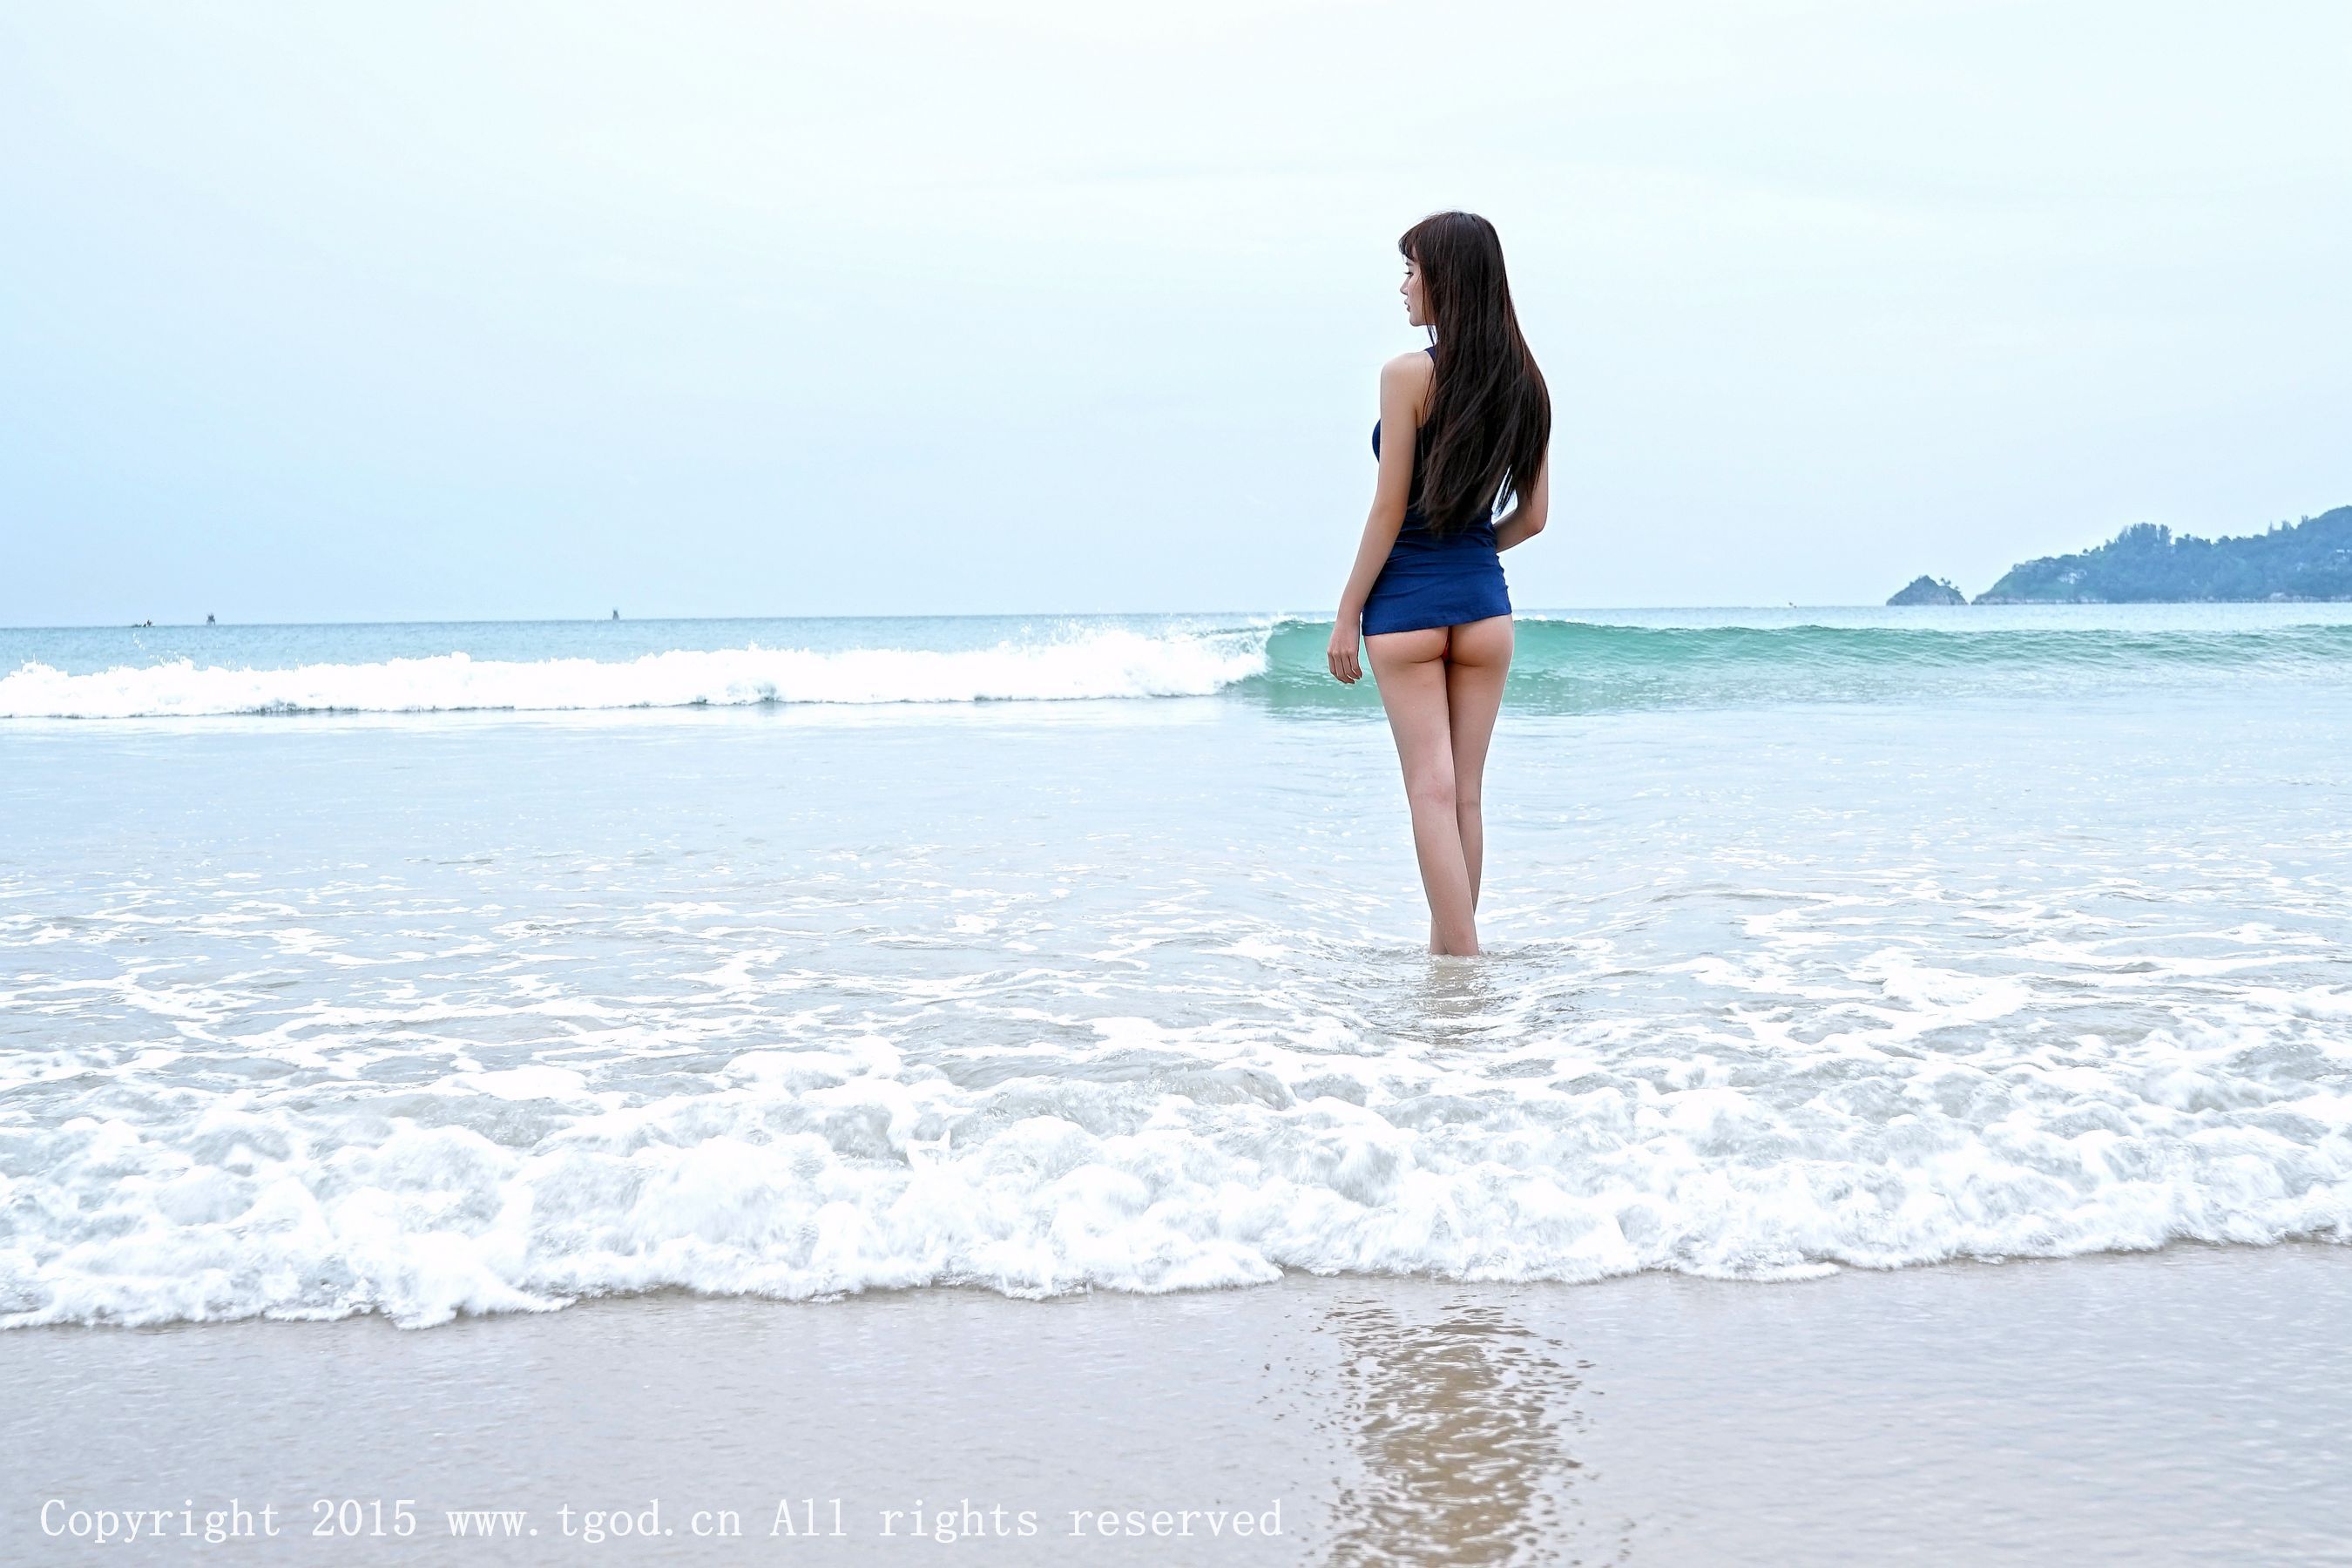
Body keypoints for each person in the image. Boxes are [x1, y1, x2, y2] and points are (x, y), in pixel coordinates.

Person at [1326, 212, 1552, 956]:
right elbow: (1536, 518)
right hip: (1487, 609)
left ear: (1444, 280)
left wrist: (1346, 611)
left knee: (1429, 791)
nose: (1403, 287)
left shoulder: (1405, 376)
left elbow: (1390, 508)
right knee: (1467, 797)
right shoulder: (1526, 381)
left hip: (1408, 609)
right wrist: (1473, 548)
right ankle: (1451, 961)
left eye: (1411, 271)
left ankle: (1463, 965)